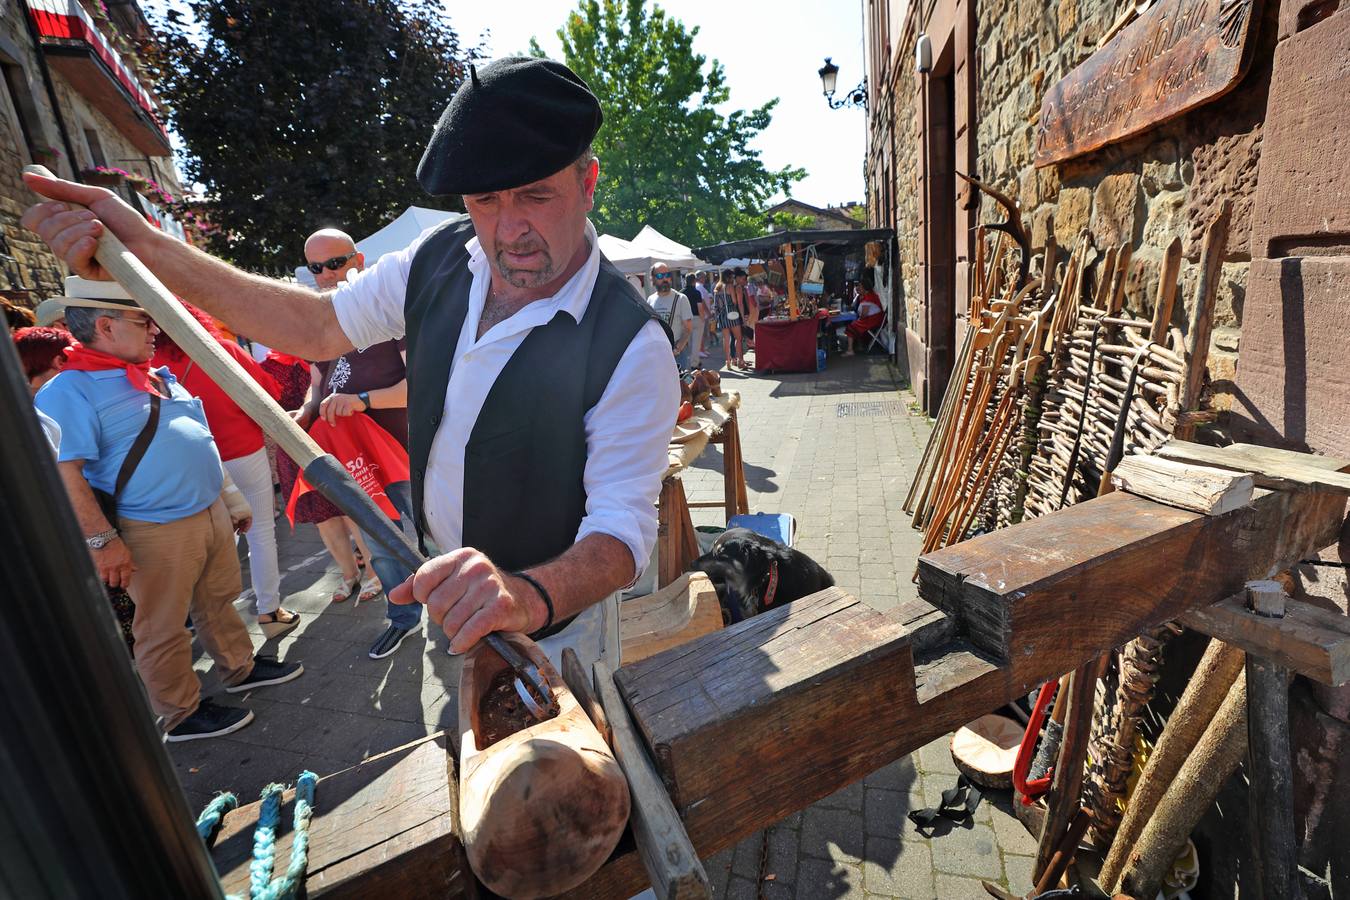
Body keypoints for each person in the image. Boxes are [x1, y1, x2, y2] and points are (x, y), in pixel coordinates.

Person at [22, 56, 679, 676]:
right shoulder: (438, 258)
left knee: (575, 792)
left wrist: (528, 597)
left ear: (586, 183)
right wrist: (142, 244)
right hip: (443, 595)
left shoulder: (630, 346)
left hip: (555, 630)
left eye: (535, 196)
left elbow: (621, 535)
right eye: (485, 201)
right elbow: (315, 325)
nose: (509, 230)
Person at [32, 279, 302, 741]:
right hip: (150, 525)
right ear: (105, 326)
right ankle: (180, 713)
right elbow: (66, 473)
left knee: (218, 600)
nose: (156, 328)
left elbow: (198, 439)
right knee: (161, 625)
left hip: (206, 510)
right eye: (144, 319)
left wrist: (229, 498)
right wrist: (102, 541)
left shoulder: (153, 373)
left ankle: (239, 668)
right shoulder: (68, 391)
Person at [292, 227, 419, 659]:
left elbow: (421, 386)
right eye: (316, 267)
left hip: (407, 451)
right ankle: (403, 618)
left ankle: (465, 618)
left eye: (335, 263)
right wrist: (305, 411)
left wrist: (361, 401)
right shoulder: (321, 323)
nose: (326, 275)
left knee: (439, 536)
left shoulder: (389, 312)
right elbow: (317, 383)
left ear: (358, 260)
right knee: (382, 546)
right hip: (356, 459)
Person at [152, 305, 301, 637]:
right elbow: (268, 392)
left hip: (191, 461)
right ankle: (268, 611)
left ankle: (215, 625)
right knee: (260, 532)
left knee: (212, 542)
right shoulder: (220, 349)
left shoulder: (146, 366)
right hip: (240, 450)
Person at [646, 264, 693, 370]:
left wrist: (677, 349)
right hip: (658, 353)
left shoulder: (681, 298)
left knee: (679, 385)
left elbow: (688, 329)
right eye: (660, 276)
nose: (665, 278)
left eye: (667, 275)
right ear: (652, 278)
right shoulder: (650, 300)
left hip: (677, 354)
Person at [712, 269, 746, 370]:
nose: (733, 279)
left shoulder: (717, 288)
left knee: (726, 339)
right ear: (728, 277)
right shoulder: (730, 286)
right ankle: (740, 360)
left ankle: (728, 361)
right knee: (738, 338)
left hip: (722, 316)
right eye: (732, 277)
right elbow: (735, 301)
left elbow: (716, 305)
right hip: (732, 314)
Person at [843, 275, 885, 356]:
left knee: (851, 327)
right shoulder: (869, 296)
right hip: (874, 320)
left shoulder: (869, 297)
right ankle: (859, 346)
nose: (858, 288)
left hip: (872, 321)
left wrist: (859, 319)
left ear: (865, 288)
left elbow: (864, 314)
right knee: (854, 324)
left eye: (860, 286)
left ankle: (850, 350)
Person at [682, 273, 705, 363]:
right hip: (696, 318)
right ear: (694, 281)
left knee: (690, 342)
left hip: (685, 319)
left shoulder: (681, 292)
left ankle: (694, 360)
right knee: (696, 342)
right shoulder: (697, 293)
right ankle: (694, 363)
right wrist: (703, 318)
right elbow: (700, 307)